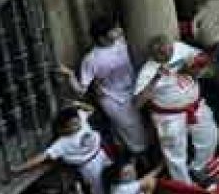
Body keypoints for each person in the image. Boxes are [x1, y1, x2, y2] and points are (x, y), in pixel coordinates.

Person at [132, 33, 219, 183]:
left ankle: (199, 168)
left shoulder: (179, 48)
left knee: (210, 135)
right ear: (154, 55)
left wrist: (194, 64)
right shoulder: (147, 71)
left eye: (170, 50)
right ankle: (185, 185)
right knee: (175, 154)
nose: (169, 54)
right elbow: (137, 103)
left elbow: (202, 57)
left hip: (195, 105)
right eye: (163, 54)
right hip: (169, 116)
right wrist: (156, 78)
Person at [62, 18, 152, 156]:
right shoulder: (91, 59)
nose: (117, 32)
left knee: (147, 124)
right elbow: (81, 90)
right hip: (114, 100)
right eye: (112, 31)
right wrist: (70, 75)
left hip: (134, 90)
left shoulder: (121, 41)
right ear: (102, 38)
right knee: (134, 132)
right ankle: (143, 161)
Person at [18, 105, 109, 194]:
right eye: (73, 125)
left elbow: (90, 110)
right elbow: (42, 157)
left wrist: (76, 105)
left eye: (77, 122)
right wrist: (20, 168)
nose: (78, 125)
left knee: (112, 175)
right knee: (98, 187)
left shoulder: (80, 117)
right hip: (89, 166)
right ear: (64, 128)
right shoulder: (62, 143)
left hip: (101, 154)